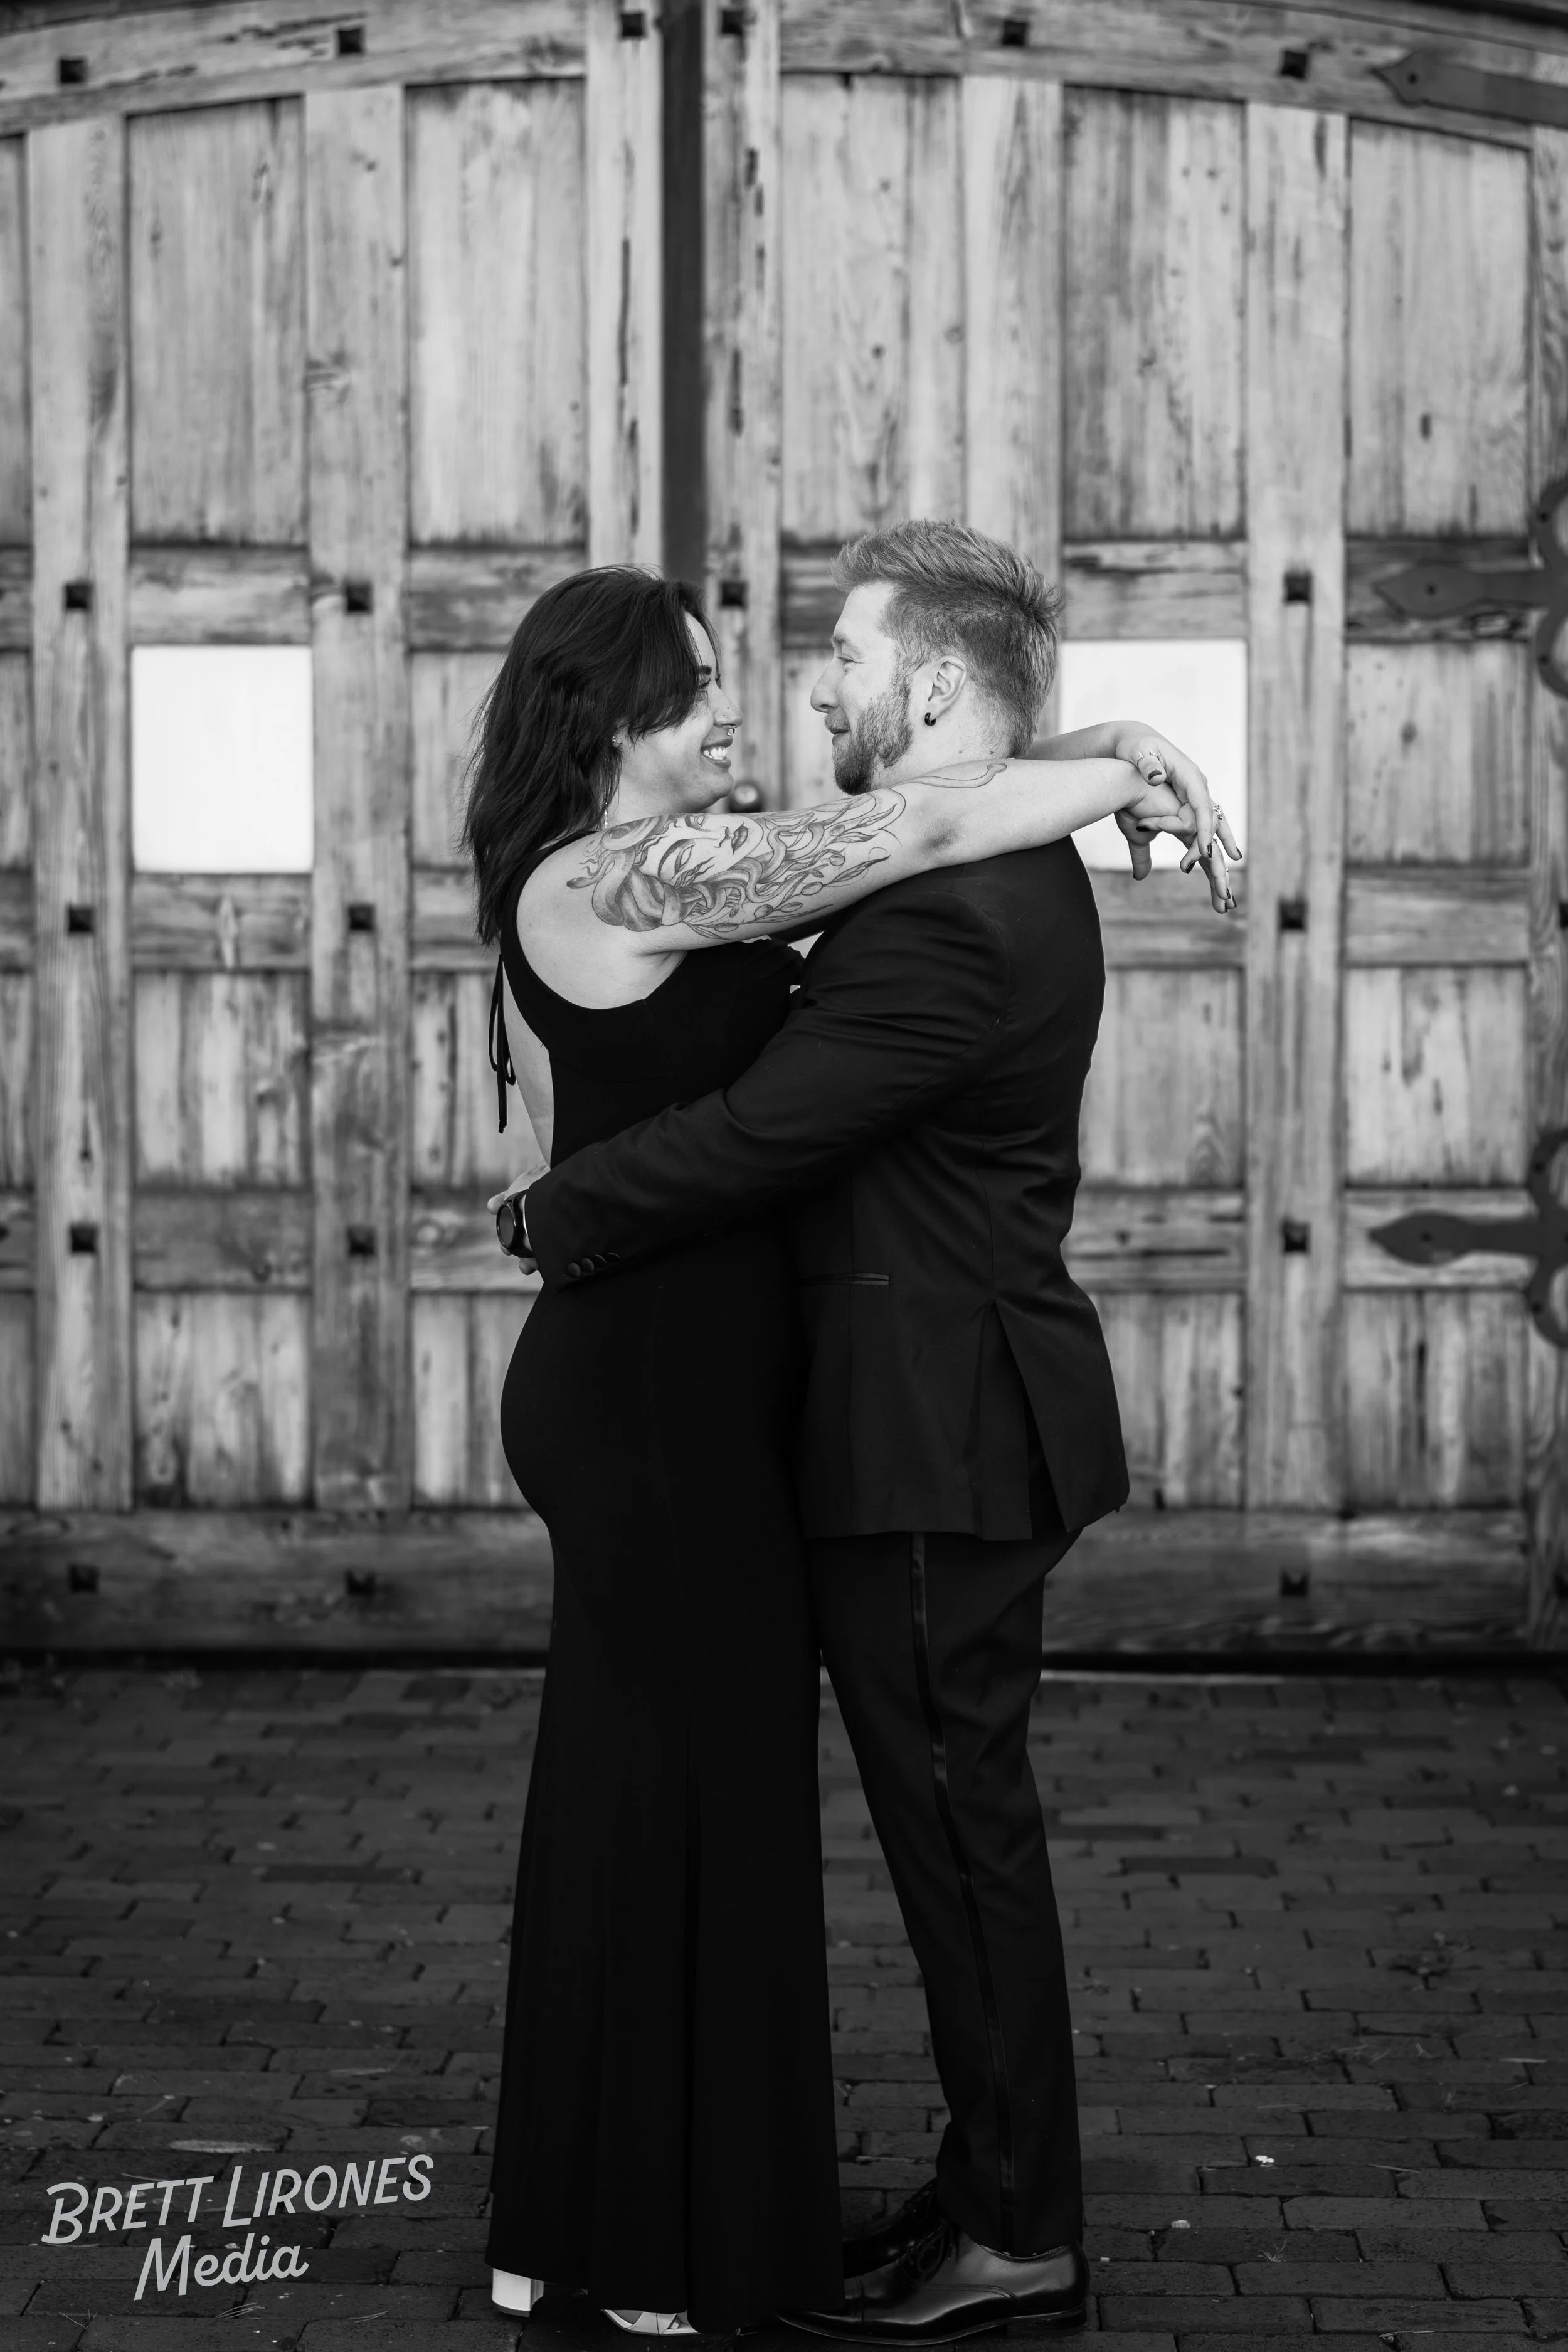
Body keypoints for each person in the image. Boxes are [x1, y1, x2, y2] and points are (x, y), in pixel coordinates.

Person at [471, 552, 1232, 2341]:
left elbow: (877, 886)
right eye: (704, 687)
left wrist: (1103, 739)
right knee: (670, 1808)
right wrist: (1108, 755)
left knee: (697, 1810)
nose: (768, 702)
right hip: (655, 1396)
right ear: (609, 724)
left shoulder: (861, 884)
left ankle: (670, 2218)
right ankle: (664, 2232)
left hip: (818, 1410)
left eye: (817, 658)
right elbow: (877, 852)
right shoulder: (628, 874)